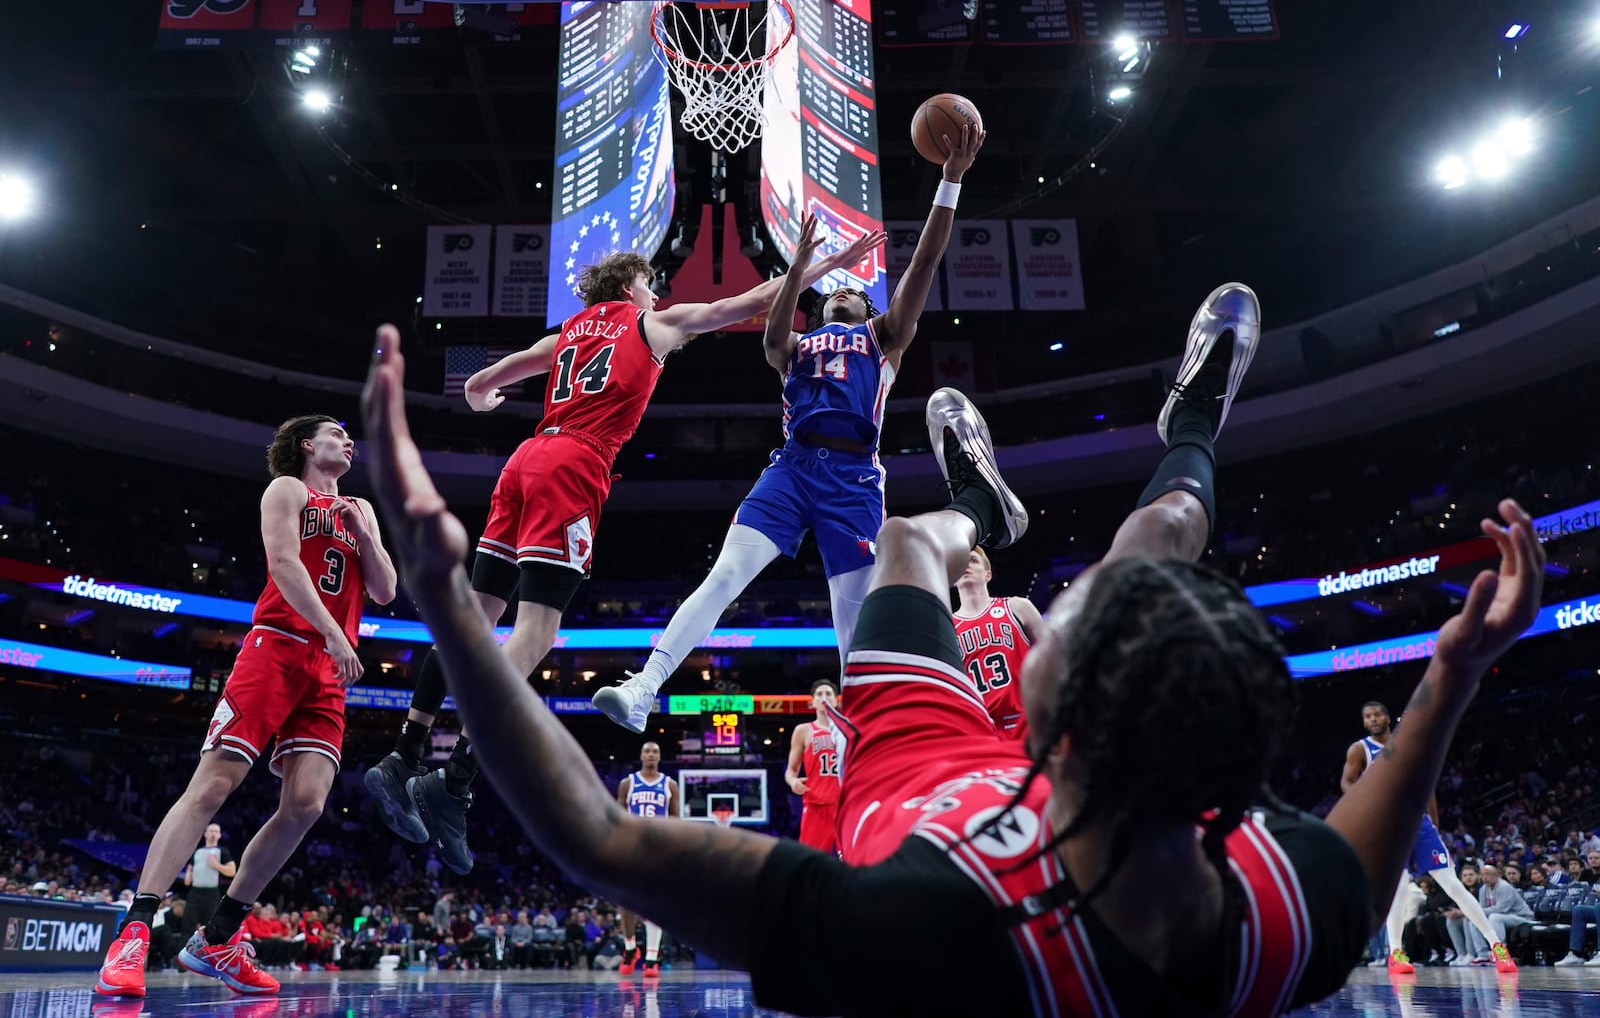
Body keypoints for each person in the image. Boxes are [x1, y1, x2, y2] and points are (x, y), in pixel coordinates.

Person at [359, 278, 1546, 1016]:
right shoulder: (1280, 908)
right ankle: (1186, 427)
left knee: (926, 545)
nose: (1053, 607)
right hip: (1025, 765)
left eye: (1060, 619)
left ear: (1045, 708)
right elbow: (1366, 849)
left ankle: (982, 497)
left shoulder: (940, 927)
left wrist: (448, 607)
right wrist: (1449, 675)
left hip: (918, 759)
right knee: (1159, 539)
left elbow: (597, 833)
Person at [364, 235, 880, 875]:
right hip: (573, 466)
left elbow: (479, 384)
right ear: (631, 288)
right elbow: (746, 301)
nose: (657, 293)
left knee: (471, 618)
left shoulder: (567, 334)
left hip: (522, 462)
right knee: (536, 635)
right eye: (650, 284)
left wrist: (484, 393)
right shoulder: (650, 324)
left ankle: (405, 756)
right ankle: (454, 783)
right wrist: (818, 267)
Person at [595, 131, 984, 736]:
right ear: (818, 308)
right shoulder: (795, 345)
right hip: (792, 469)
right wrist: (800, 266)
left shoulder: (886, 337)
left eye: (856, 291)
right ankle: (644, 687)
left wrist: (951, 177)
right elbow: (773, 334)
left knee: (850, 624)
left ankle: (869, 737)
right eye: (837, 292)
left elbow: (927, 259)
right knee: (722, 577)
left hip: (853, 480)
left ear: (867, 308)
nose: (847, 293)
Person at [95, 415, 396, 998]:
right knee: (213, 786)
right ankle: (134, 929)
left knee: (307, 804)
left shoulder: (359, 507)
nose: (349, 440)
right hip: (278, 647)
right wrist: (334, 632)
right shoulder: (288, 489)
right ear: (308, 446)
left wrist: (367, 537)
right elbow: (283, 565)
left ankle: (219, 936)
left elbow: (384, 589)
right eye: (337, 432)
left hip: (328, 669)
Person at [1341, 700, 1517, 973]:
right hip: (1387, 827)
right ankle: (1397, 953)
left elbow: (1428, 783)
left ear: (1387, 717)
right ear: (1364, 722)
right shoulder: (1360, 749)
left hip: (1417, 823)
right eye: (1368, 716)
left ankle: (1497, 947)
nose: (1373, 719)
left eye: (1378, 715)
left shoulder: (1410, 745)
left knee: (1453, 885)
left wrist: (1433, 821)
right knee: (1398, 890)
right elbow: (1346, 782)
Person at [952, 546, 1043, 738]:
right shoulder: (947, 627)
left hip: (1024, 723)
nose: (966, 566)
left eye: (973, 560)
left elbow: (1053, 658)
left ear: (988, 575)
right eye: (961, 562)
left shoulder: (1017, 607)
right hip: (980, 730)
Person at [616, 741, 678, 979]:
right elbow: (617, 818)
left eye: (655, 751)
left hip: (658, 850)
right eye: (647, 751)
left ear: (660, 757)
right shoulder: (627, 783)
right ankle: (630, 948)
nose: (651, 755)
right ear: (641, 755)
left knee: (654, 905)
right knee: (626, 902)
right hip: (632, 848)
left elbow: (676, 822)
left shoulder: (669, 784)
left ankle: (651, 958)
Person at [784, 679, 842, 855]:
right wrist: (793, 782)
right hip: (816, 805)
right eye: (819, 694)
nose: (824, 697)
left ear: (836, 700)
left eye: (828, 694)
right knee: (811, 862)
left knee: (851, 862)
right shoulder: (803, 730)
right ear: (812, 702)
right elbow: (791, 771)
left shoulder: (847, 729)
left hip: (844, 805)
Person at [180, 823, 235, 937]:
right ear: (205, 834)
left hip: (211, 893)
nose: (213, 833)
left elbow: (232, 871)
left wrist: (216, 865)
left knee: (209, 924)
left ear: (219, 835)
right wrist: (188, 875)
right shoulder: (197, 852)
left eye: (216, 831)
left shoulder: (222, 851)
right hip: (195, 892)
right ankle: (183, 951)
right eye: (211, 831)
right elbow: (191, 867)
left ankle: (207, 951)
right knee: (188, 923)